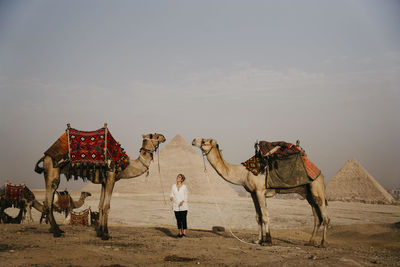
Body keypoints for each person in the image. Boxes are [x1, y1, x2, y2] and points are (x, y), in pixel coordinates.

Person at [170, 173, 188, 238]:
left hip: (183, 206)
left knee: (183, 219)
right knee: (178, 219)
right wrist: (171, 197)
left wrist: (183, 201)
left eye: (179, 177)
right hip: (175, 205)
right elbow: (171, 194)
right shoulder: (173, 186)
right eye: (178, 177)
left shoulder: (184, 187)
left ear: (182, 179)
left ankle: (184, 233)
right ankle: (180, 232)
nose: (178, 178)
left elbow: (186, 195)